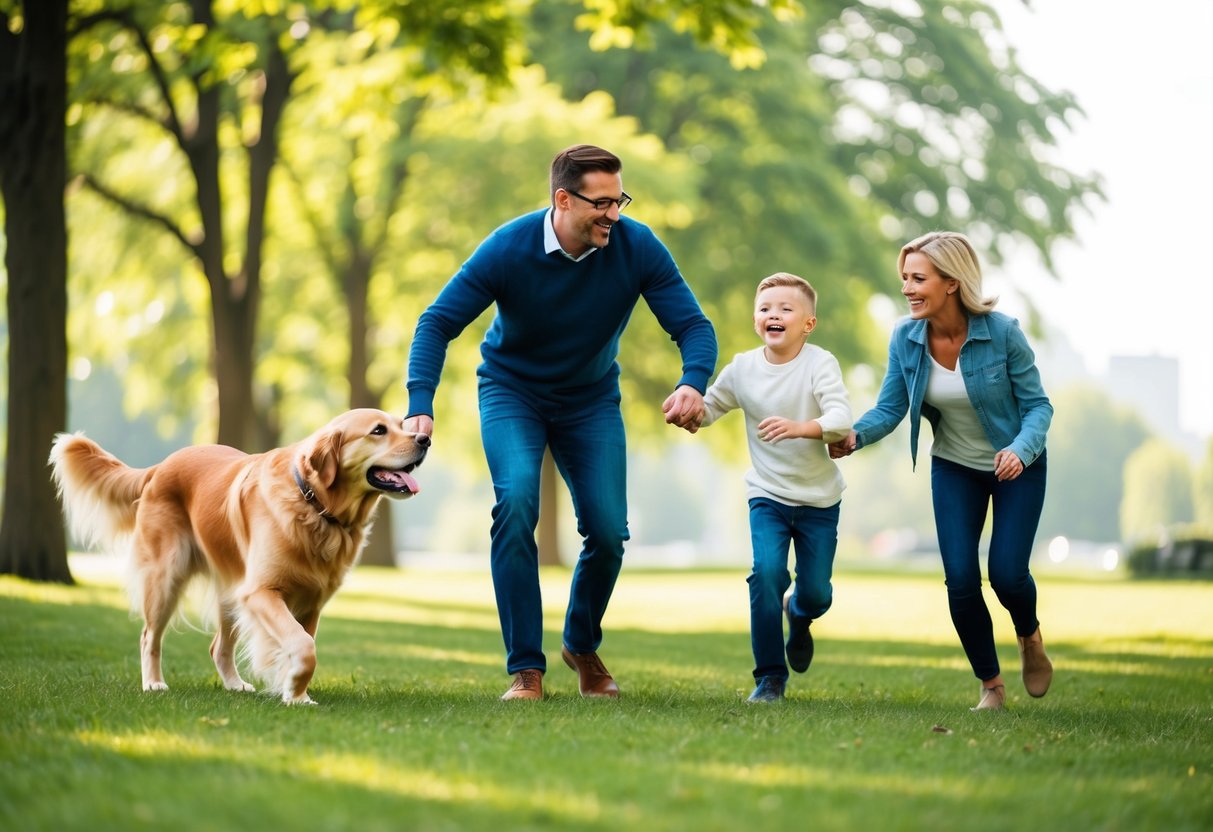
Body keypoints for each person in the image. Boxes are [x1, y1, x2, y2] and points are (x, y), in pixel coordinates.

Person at [403, 145, 717, 701]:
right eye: (601, 203)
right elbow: (436, 323)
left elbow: (692, 323)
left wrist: (692, 380)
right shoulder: (508, 247)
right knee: (518, 501)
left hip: (590, 398)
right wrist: (419, 402)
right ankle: (526, 668)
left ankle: (579, 641)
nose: (613, 215)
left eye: (619, 200)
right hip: (511, 392)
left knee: (608, 531)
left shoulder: (636, 245)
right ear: (563, 199)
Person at [828, 231, 1053, 711]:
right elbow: (889, 408)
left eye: (918, 278)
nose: (907, 288)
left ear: (951, 282)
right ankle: (991, 685)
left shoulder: (1003, 332)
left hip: (1017, 465)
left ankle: (1030, 638)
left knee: (1008, 575)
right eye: (904, 278)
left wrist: (1020, 448)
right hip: (954, 467)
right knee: (960, 580)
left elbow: (1038, 407)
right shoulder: (906, 339)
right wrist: (854, 436)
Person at [684, 272, 852, 703]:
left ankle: (799, 613)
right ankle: (770, 678)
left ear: (808, 324)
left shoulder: (820, 363)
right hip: (768, 495)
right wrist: (687, 408)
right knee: (766, 575)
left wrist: (801, 428)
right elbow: (710, 409)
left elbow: (840, 419)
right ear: (756, 319)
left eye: (785, 308)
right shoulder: (743, 368)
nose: (772, 314)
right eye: (764, 309)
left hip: (819, 500)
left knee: (817, 593)